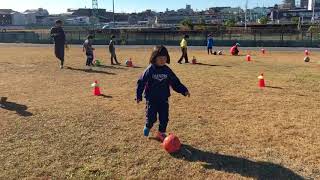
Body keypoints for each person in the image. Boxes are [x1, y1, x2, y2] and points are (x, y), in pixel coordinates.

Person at [136, 45, 190, 142]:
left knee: (164, 118)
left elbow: (175, 82)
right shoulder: (150, 70)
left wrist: (184, 90)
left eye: (164, 57)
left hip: (164, 99)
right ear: (154, 58)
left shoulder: (167, 70)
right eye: (160, 58)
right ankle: (148, 126)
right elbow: (141, 82)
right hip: (151, 99)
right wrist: (138, 95)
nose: (162, 60)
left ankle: (161, 133)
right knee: (151, 118)